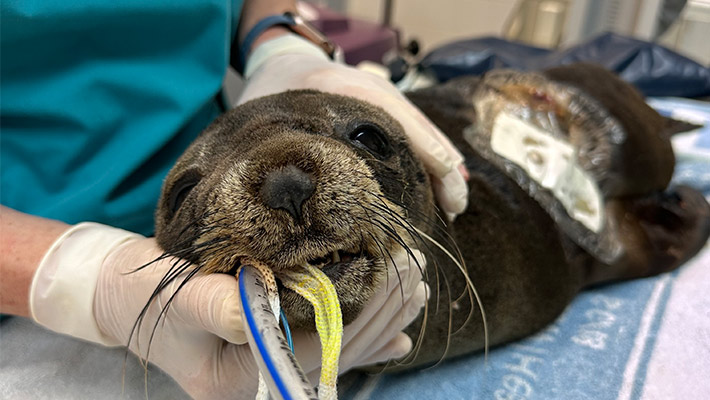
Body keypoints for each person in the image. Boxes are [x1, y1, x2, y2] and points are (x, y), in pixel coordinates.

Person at [0, 1, 468, 398]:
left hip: (209, 152)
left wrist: (277, 39)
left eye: (366, 139)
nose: (287, 188)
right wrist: (75, 276)